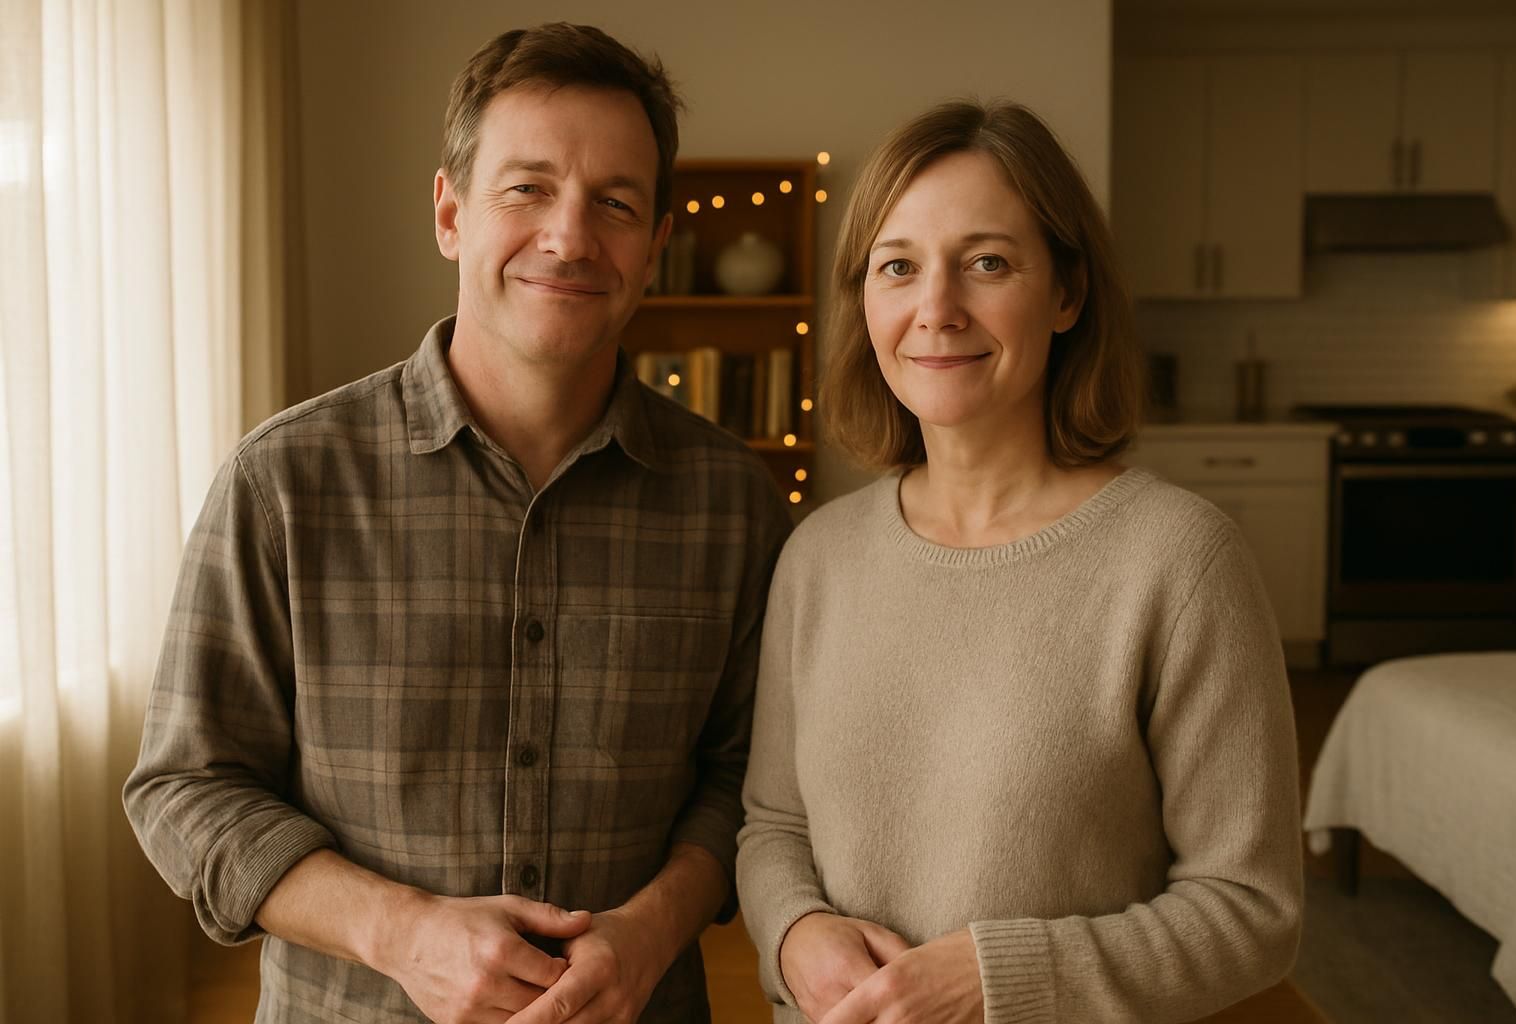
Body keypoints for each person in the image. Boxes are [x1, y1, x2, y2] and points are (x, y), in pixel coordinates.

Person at [124, 23, 791, 1024]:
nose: (569, 237)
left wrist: (653, 929)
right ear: (450, 211)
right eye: (525, 189)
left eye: (614, 203)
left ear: (655, 245)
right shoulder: (284, 482)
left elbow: (744, 777)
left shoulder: (732, 505)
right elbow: (185, 788)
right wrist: (400, 932)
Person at [736, 99, 1302, 1024]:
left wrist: (997, 981)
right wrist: (797, 932)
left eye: (987, 263)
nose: (937, 309)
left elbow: (1253, 911)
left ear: (1068, 293)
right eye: (898, 268)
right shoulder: (818, 557)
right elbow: (774, 826)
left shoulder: (1180, 561)